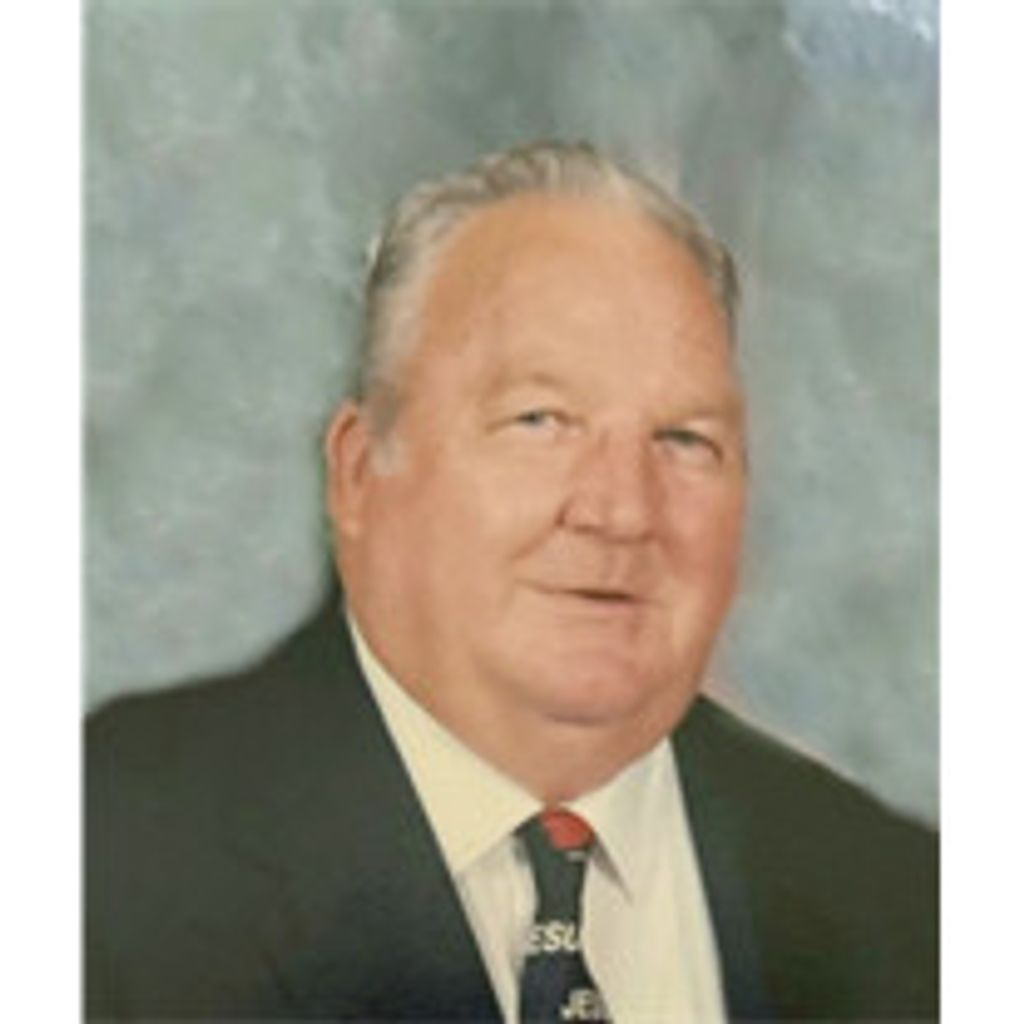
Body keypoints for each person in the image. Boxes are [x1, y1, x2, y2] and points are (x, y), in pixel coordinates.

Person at [86, 141, 938, 1022]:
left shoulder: (910, 913)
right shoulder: (100, 861)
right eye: (541, 421)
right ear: (360, 473)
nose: (621, 510)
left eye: (685, 440)